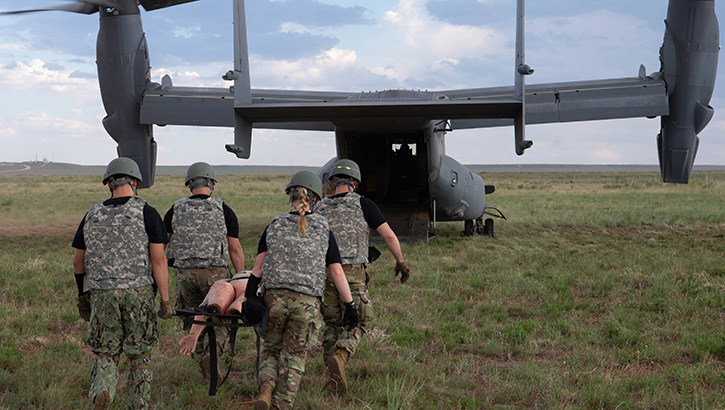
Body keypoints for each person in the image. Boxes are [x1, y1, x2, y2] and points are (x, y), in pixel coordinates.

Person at [243, 170, 359, 410]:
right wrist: (350, 306)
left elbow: (257, 268)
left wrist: (248, 296)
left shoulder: (274, 224)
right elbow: (337, 273)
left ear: (290, 196)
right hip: (305, 304)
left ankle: (265, 391)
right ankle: (280, 406)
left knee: (271, 350)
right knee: (294, 357)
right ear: (316, 198)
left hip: (273, 299)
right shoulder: (323, 228)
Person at [71, 157, 172, 410]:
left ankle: (103, 389)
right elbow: (158, 260)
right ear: (135, 181)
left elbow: (78, 263)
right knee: (140, 354)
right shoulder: (147, 212)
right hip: (137, 293)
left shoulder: (92, 213)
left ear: (109, 184)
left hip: (102, 294)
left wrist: (83, 296)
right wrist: (165, 300)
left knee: (106, 352)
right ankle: (137, 406)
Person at [315, 158, 411, 394]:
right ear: (355, 182)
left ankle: (332, 376)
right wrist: (401, 262)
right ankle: (341, 355)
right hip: (352, 273)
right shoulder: (364, 204)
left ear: (332, 181)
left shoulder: (318, 208)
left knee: (331, 323)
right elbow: (388, 235)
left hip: (324, 274)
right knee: (360, 320)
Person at [164, 161, 245, 381]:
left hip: (185, 275)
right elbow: (234, 248)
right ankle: (214, 353)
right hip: (216, 276)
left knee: (193, 320)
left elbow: (162, 243)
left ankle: (201, 357)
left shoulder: (175, 208)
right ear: (211, 183)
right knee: (219, 318)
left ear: (190, 184)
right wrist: (241, 278)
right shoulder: (223, 209)